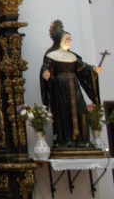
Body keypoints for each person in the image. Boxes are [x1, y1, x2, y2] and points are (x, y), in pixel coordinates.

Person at [40, 20, 102, 148]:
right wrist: (46, 72)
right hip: (60, 88)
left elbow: (84, 67)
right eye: (67, 39)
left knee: (82, 112)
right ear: (60, 40)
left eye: (70, 39)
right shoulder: (51, 55)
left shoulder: (73, 56)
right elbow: (46, 67)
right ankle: (66, 140)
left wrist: (94, 69)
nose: (69, 41)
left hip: (74, 86)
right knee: (63, 112)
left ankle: (83, 140)